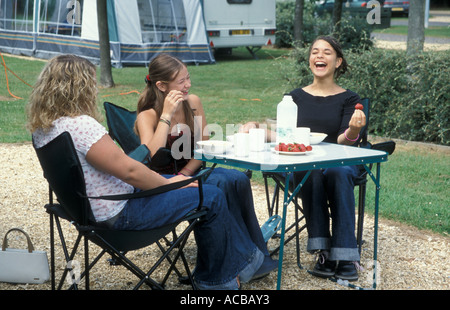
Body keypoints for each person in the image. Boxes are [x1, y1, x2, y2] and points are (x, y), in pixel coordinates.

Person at [27, 54, 266, 290]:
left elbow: (126, 168)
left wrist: (175, 179)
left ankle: (242, 263)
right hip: (121, 213)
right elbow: (131, 171)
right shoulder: (81, 125)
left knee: (212, 185)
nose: (95, 89)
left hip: (90, 212)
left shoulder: (46, 129)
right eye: (91, 83)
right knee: (210, 195)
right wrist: (173, 183)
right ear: (78, 87)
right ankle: (218, 282)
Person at [134, 53, 277, 279]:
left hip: (191, 171)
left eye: (188, 78)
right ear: (161, 85)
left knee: (237, 179)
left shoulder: (193, 103)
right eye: (181, 81)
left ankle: (257, 254)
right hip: (163, 182)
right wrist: (167, 115)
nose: (188, 85)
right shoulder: (148, 115)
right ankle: (241, 264)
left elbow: (203, 147)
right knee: (218, 183)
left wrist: (186, 174)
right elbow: (149, 156)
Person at [243, 36, 366, 281]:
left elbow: (345, 141)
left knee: (336, 171)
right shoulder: (294, 98)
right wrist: (255, 126)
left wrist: (353, 130)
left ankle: (345, 254)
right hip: (305, 164)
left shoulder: (350, 99)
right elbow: (284, 136)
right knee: (309, 170)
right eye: (315, 52)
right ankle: (323, 251)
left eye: (327, 52)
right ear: (310, 60)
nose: (319, 56)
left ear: (338, 61)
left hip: (342, 162)